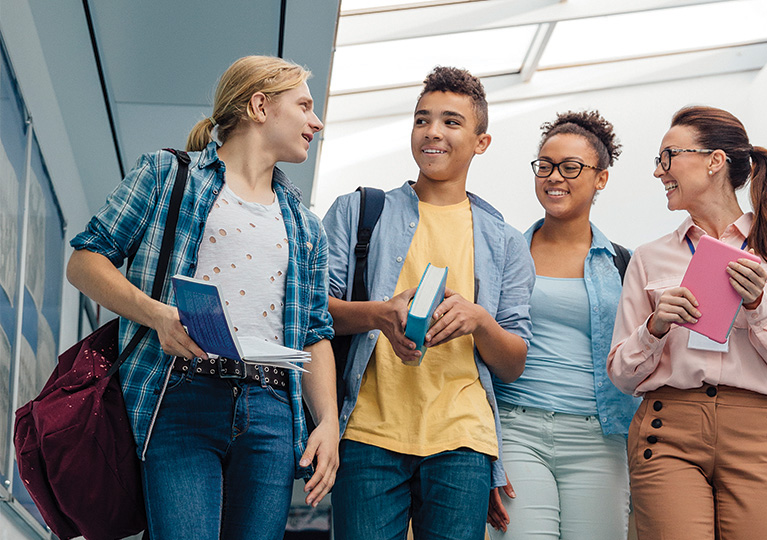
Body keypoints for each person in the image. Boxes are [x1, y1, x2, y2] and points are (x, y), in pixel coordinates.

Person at [66, 55, 339, 540]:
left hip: (272, 410)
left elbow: (315, 332)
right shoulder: (168, 175)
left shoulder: (305, 223)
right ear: (259, 105)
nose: (315, 121)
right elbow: (85, 262)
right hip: (182, 395)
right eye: (304, 105)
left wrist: (328, 423)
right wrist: (158, 316)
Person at [323, 66, 535, 540]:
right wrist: (379, 314)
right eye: (422, 119)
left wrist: (480, 322)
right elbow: (314, 314)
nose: (433, 132)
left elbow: (515, 361)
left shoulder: (504, 242)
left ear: (482, 142)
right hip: (366, 435)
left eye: (452, 122)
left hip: (464, 440)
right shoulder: (358, 211)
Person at [607, 105, 767, 540]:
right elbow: (621, 374)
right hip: (669, 429)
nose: (658, 172)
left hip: (759, 435)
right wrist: (655, 328)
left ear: (714, 160)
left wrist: (759, 305)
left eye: (668, 157)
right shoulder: (648, 257)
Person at [486, 111, 640, 540]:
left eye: (571, 167)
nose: (555, 177)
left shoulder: (623, 264)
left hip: (598, 439)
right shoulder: (504, 253)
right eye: (545, 166)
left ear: (601, 178)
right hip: (517, 430)